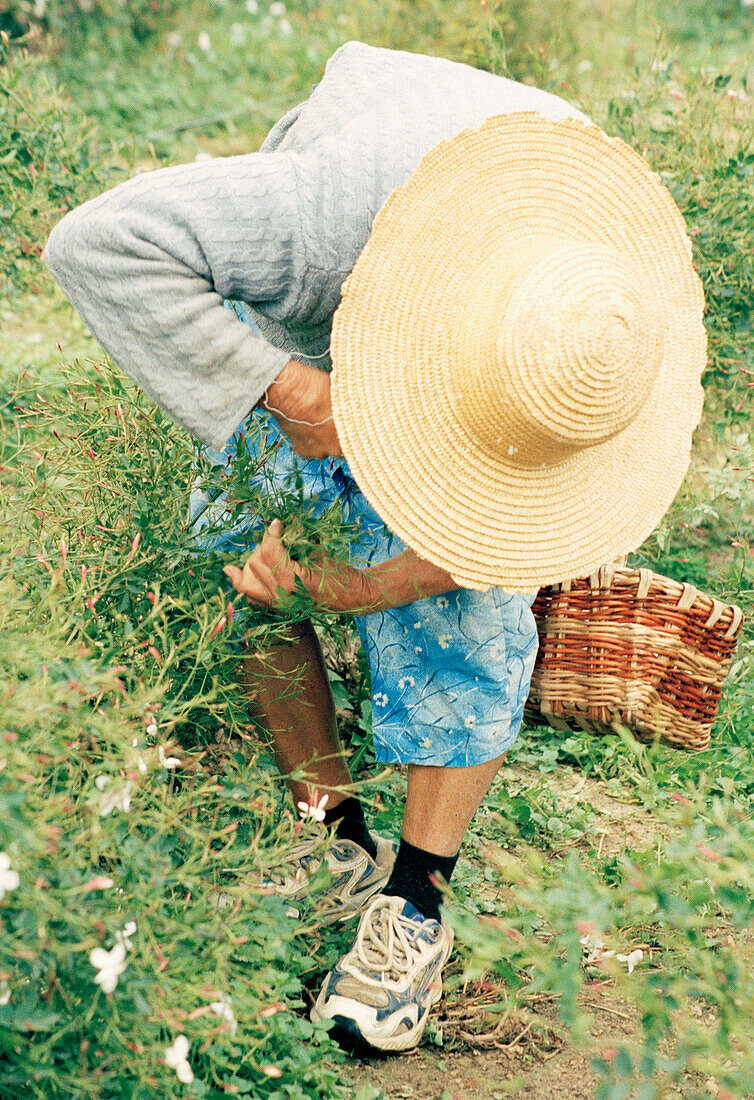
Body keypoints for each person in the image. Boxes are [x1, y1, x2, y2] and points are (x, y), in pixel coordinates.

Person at [43, 41, 705, 1053]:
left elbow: (511, 534)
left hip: (517, 294)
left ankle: (413, 900)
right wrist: (295, 392)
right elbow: (95, 243)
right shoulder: (317, 225)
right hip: (338, 309)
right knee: (245, 563)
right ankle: (333, 838)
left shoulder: (604, 331)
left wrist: (367, 583)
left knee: (469, 607)